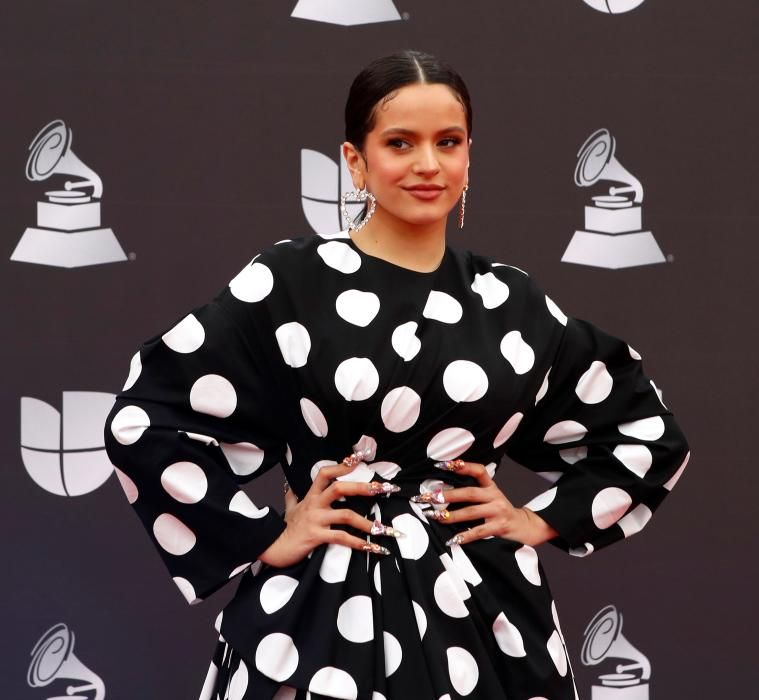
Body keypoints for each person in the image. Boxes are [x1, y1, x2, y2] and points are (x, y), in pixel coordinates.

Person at [104, 50, 689, 700]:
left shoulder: (510, 302)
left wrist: (539, 518)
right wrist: (264, 535)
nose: (427, 164)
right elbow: (146, 420)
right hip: (316, 612)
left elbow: (643, 432)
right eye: (399, 142)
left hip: (482, 614)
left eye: (447, 142)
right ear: (354, 160)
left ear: (469, 155)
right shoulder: (290, 283)